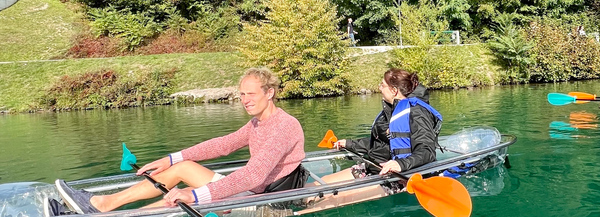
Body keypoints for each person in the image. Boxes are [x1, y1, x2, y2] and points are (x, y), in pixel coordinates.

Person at [49, 68, 306, 216]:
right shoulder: (258, 123)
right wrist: (171, 159)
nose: (245, 99)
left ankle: (106, 208)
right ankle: (105, 205)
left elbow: (253, 175)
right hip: (251, 196)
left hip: (269, 209)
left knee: (182, 196)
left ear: (269, 93)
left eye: (251, 94)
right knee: (183, 168)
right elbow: (222, 144)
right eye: (241, 94)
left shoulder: (284, 125)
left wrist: (194, 194)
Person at [301, 69, 441, 213]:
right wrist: (348, 143)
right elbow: (379, 143)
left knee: (333, 199)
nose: (379, 88)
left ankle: (297, 214)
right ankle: (283, 209)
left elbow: (427, 151)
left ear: (393, 90)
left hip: (395, 178)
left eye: (382, 85)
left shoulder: (418, 113)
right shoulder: (389, 111)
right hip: (372, 169)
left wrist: (400, 164)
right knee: (314, 188)